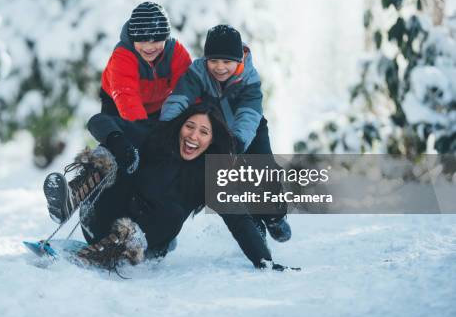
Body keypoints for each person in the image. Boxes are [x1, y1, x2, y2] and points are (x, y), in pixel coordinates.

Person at [43, 103, 296, 272]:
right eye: (190, 126)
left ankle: (101, 252)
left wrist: (264, 261)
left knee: (173, 212)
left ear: (212, 140)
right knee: (110, 153)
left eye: (204, 132)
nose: (193, 136)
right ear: (180, 126)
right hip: (99, 217)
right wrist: (118, 140)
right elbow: (99, 120)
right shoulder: (155, 136)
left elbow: (239, 221)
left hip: (142, 243)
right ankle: (71, 200)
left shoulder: (210, 176)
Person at [160, 25, 291, 242]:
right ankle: (253, 222)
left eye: (227, 62)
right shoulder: (198, 72)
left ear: (238, 61)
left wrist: (238, 141)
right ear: (206, 59)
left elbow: (249, 112)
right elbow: (180, 98)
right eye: (214, 61)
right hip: (218, 130)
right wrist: (166, 126)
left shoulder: (249, 77)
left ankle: (274, 216)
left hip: (251, 129)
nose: (219, 68)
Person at [100, 1, 192, 121]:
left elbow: (186, 90)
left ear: (165, 38)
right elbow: (127, 96)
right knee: (118, 132)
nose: (149, 47)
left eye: (155, 41)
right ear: (133, 39)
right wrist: (141, 127)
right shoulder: (123, 55)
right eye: (142, 41)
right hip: (117, 101)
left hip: (158, 104)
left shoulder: (176, 53)